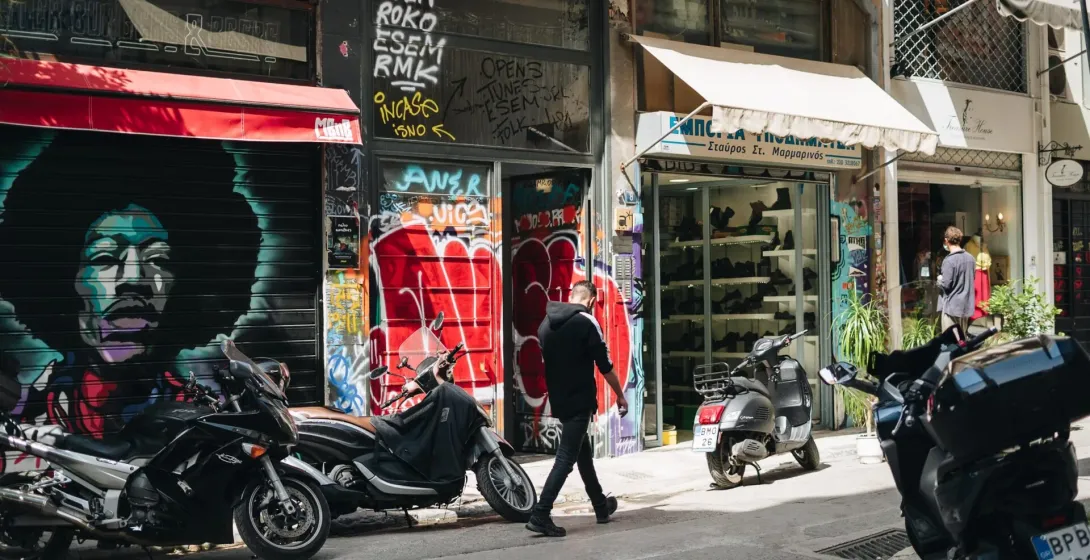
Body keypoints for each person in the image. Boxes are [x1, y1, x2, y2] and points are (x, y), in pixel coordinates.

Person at [0, 131, 261, 437]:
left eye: (158, 260)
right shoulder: (27, 417)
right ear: (62, 281)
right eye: (104, 258)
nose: (135, 280)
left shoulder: (201, 415)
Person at [526, 280, 629, 537]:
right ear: (592, 300)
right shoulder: (587, 322)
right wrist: (620, 395)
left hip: (560, 401)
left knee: (583, 454)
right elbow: (605, 366)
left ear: (571, 296)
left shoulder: (544, 325)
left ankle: (600, 506)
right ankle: (541, 513)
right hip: (580, 401)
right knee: (566, 458)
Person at [937, 226, 976, 332]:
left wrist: (939, 279)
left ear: (946, 240)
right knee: (962, 340)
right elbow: (972, 279)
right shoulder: (971, 259)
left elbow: (946, 285)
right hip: (965, 307)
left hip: (952, 308)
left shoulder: (949, 260)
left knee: (951, 341)